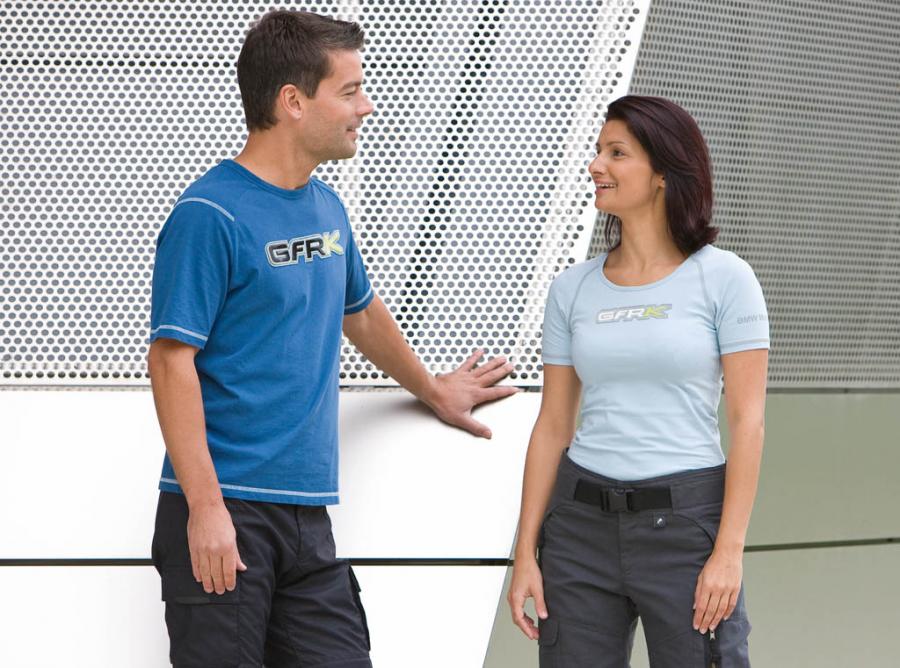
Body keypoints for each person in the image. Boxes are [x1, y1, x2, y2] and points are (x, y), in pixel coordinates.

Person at [147, 10, 517, 667]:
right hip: (226, 507)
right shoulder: (209, 214)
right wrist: (205, 509)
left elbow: (362, 314)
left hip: (306, 518)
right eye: (349, 91)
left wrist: (434, 391)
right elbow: (171, 360)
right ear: (293, 101)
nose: (365, 107)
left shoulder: (326, 208)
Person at [508, 95, 769, 667]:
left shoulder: (726, 279)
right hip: (577, 529)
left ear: (662, 173)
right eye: (598, 151)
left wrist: (729, 552)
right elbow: (553, 425)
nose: (595, 165)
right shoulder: (571, 289)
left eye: (616, 153)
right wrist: (525, 551)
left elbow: (748, 422)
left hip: (685, 524)